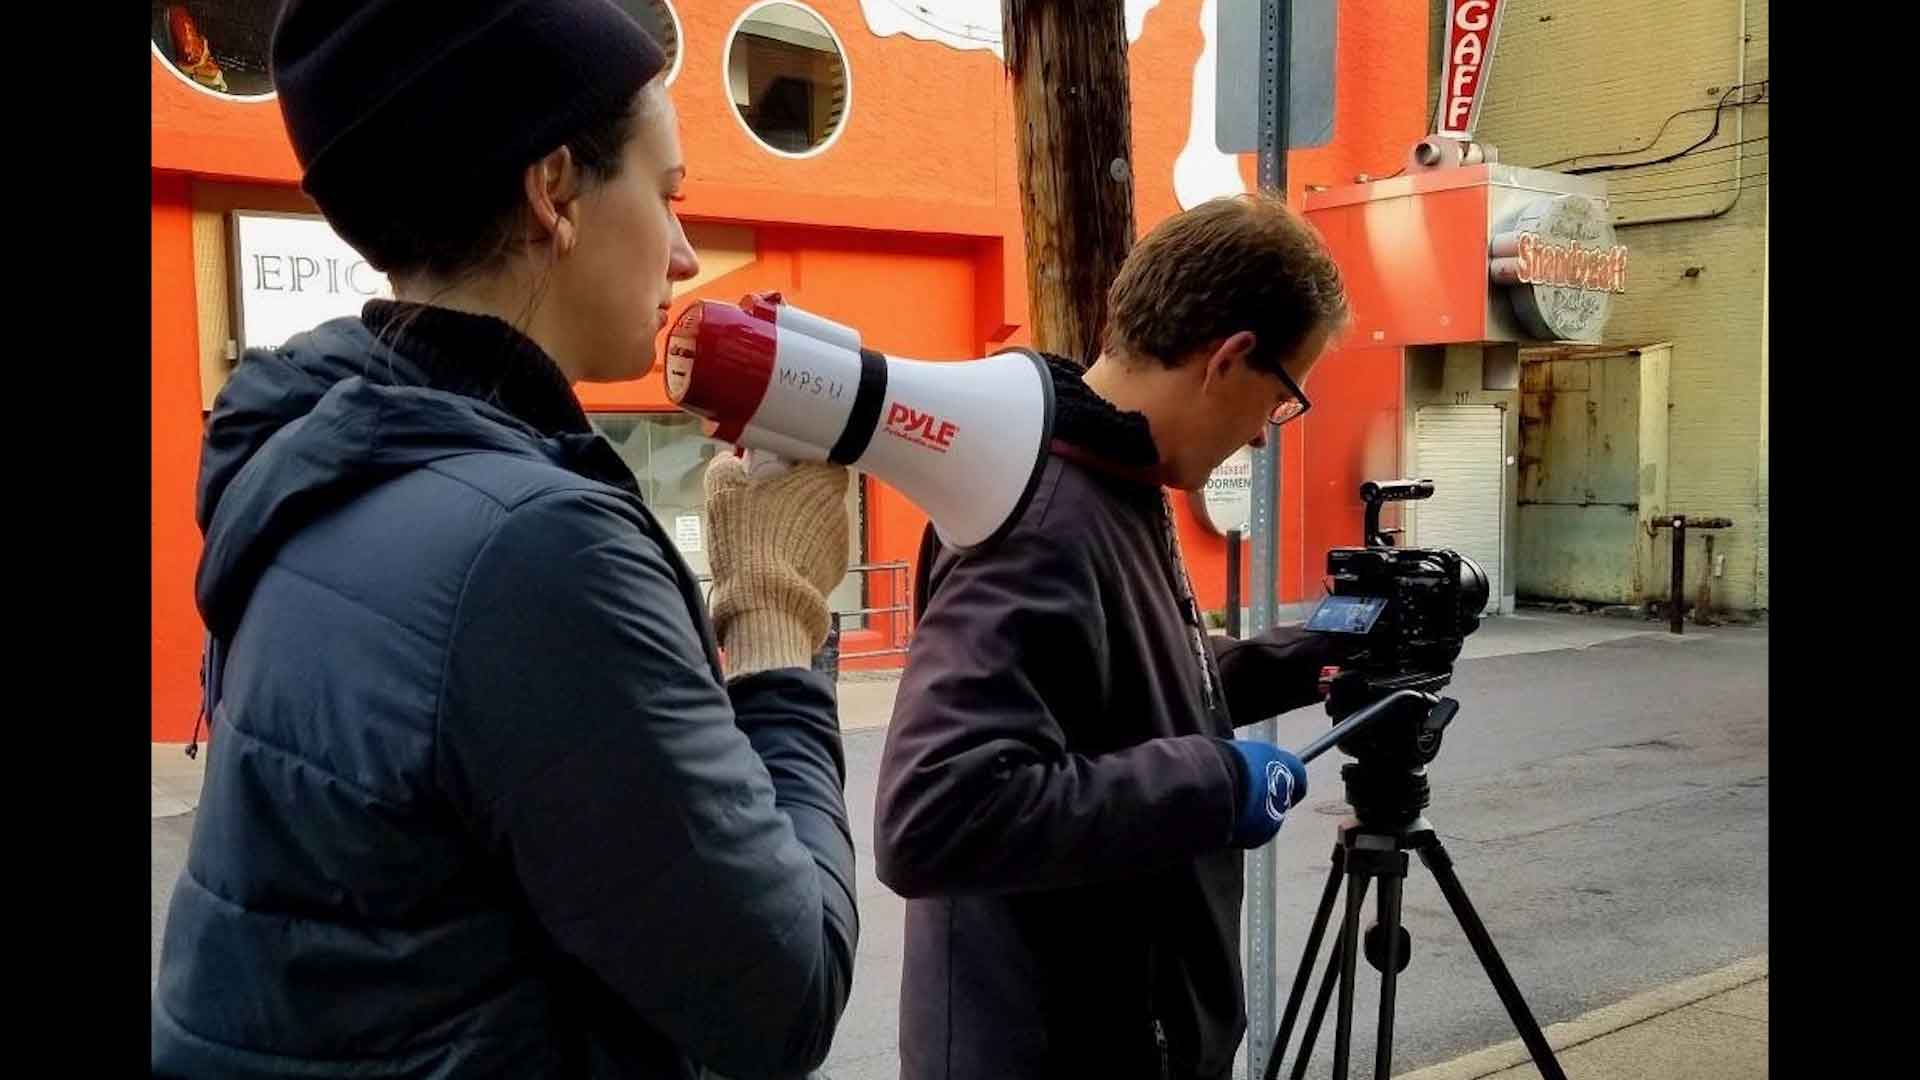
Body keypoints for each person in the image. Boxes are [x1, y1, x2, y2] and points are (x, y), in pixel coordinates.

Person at [152, 3, 858, 1076]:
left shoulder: (311, 467)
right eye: (668, 197)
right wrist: (775, 620)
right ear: (555, 190)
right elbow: (781, 997)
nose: (681, 255)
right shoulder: (535, 550)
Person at [874, 193, 1358, 1080]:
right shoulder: (1042, 511)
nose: (1265, 432)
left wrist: (1315, 658)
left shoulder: (1117, 475)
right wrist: (1215, 783)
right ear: (1232, 357)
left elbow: (1116, 688)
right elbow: (936, 816)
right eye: (1285, 399)